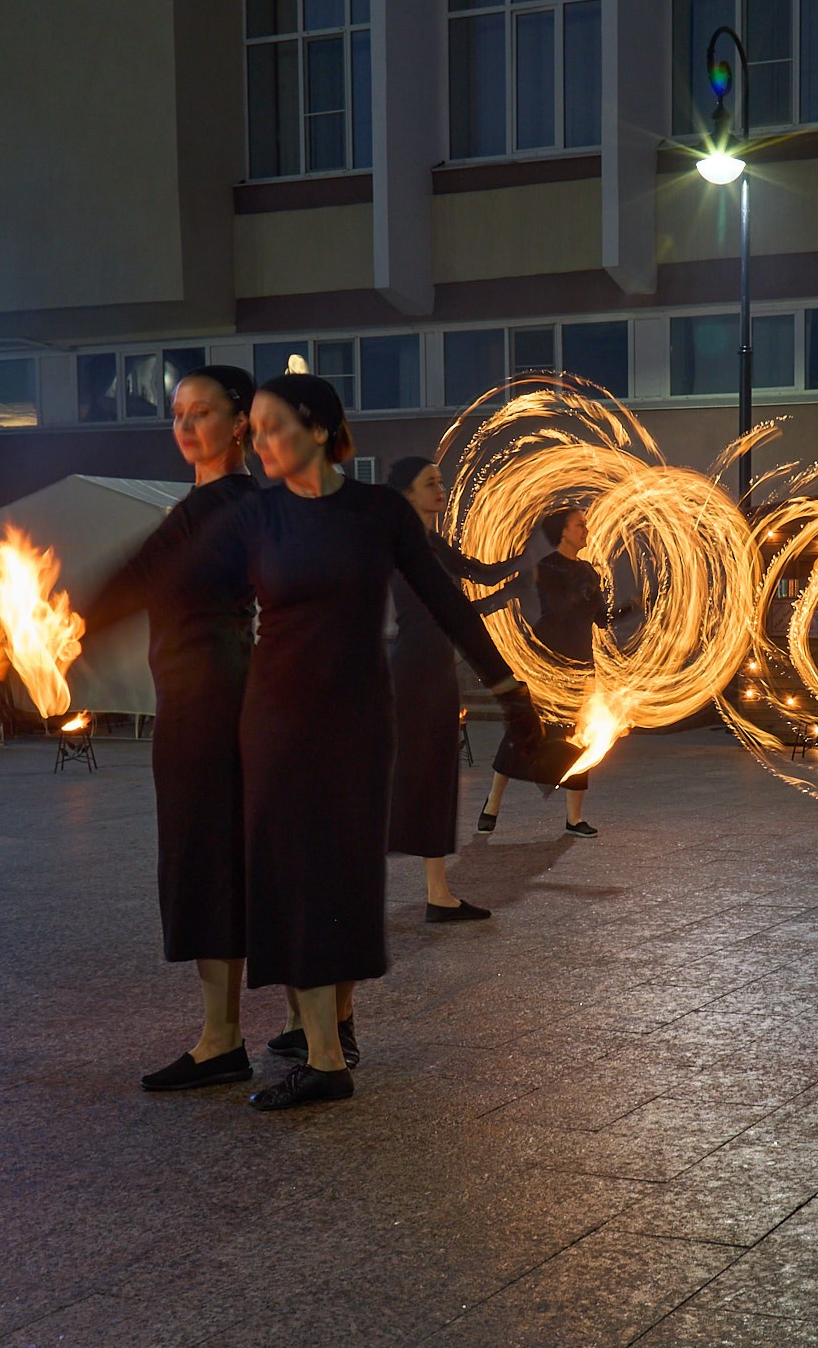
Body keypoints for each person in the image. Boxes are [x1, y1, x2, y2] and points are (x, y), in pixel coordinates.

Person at [203, 372, 542, 1111]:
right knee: (295, 879)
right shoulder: (259, 515)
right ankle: (320, 1040)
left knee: (328, 879)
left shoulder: (375, 513)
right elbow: (186, 592)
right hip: (276, 721)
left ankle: (328, 1046)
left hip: (350, 723)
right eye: (252, 429)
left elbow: (447, 598)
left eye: (274, 426)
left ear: (321, 429)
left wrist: (508, 685)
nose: (259, 441)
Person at [82, 365, 259, 1091]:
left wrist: (62, 624)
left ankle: (222, 1037)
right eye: (177, 413)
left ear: (241, 420)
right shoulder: (237, 504)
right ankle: (268, 1028)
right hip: (214, 694)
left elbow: (129, 583)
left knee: (205, 858)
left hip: (206, 705)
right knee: (221, 858)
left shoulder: (217, 510)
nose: (185, 427)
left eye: (202, 413)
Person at [384, 455, 521, 921]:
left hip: (438, 668)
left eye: (441, 481)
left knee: (436, 775)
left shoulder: (437, 545)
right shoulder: (400, 546)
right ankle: (349, 877)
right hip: (415, 669)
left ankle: (438, 894)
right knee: (411, 774)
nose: (440, 489)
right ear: (406, 495)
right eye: (430, 483)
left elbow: (481, 576)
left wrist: (531, 557)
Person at [479, 504, 611, 837]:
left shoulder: (590, 572)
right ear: (563, 532)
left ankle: (574, 819)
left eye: (586, 524)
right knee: (523, 732)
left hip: (581, 666)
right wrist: (581, 592)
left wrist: (623, 605)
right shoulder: (546, 568)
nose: (586, 529)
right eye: (580, 525)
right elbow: (556, 609)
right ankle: (491, 804)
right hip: (548, 662)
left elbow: (601, 620)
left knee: (579, 738)